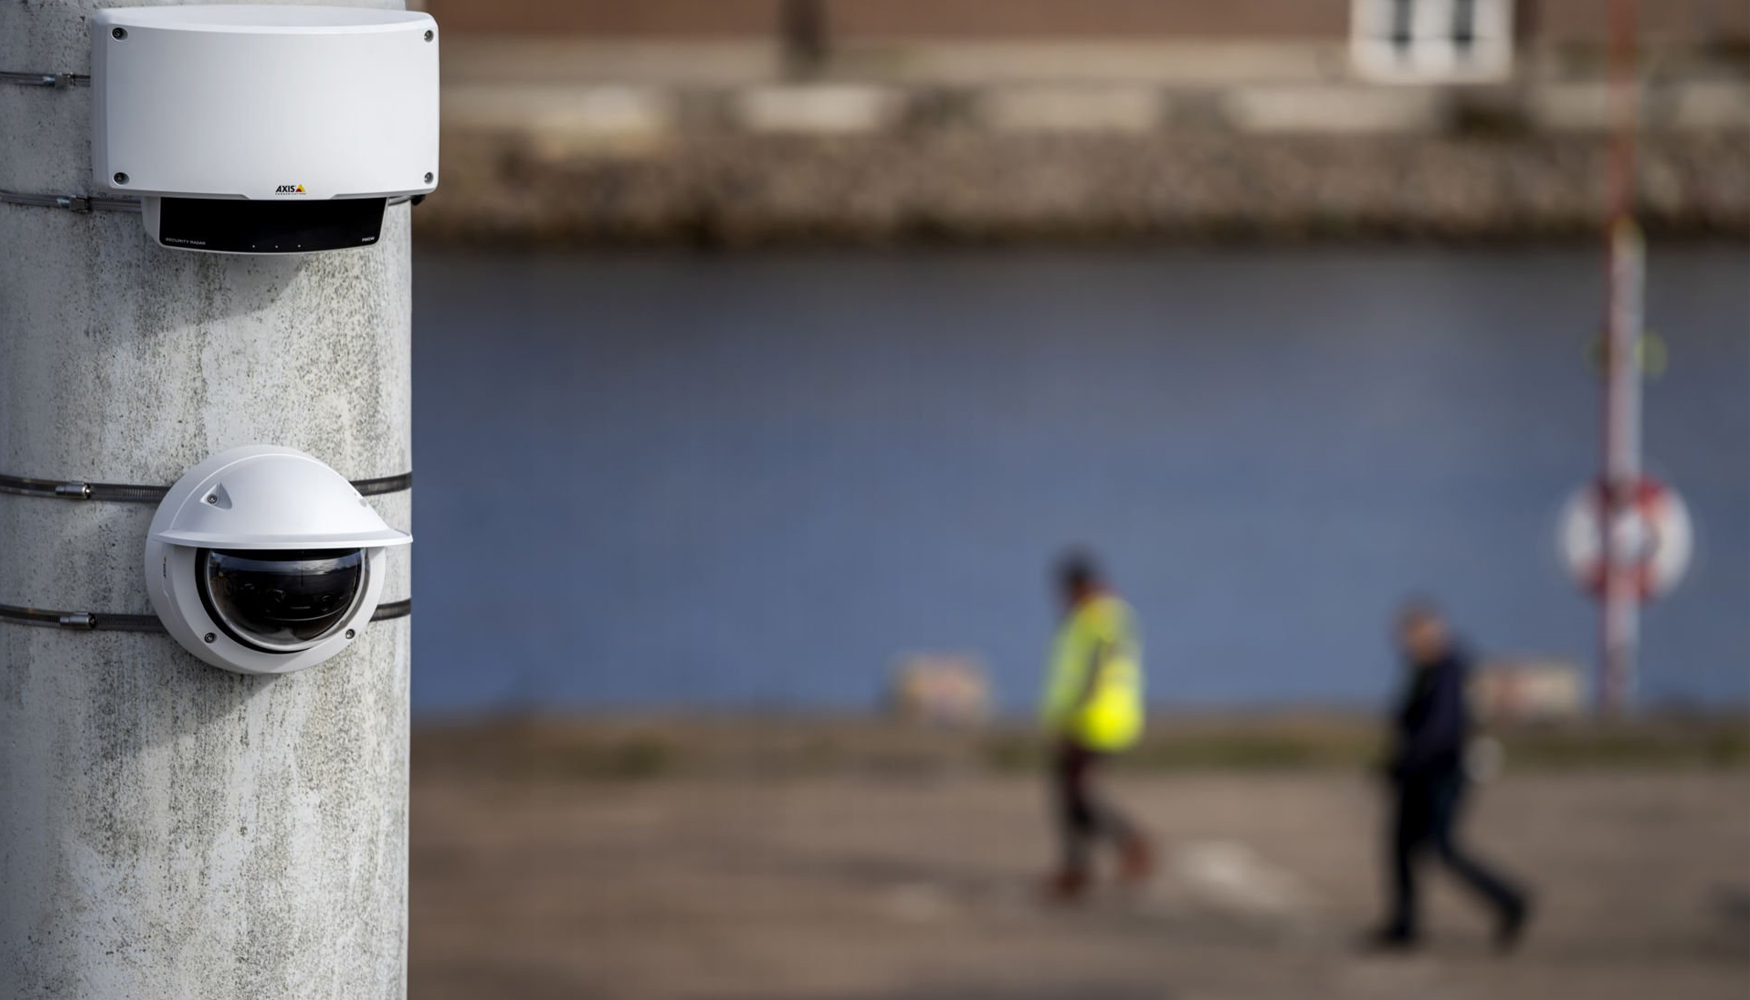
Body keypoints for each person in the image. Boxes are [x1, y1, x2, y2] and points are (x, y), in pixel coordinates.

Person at [1369, 601, 1532, 951]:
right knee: (1400, 848)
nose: (1409, 642)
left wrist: (1405, 762)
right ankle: (1404, 924)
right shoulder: (1422, 670)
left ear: (1433, 633)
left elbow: (1441, 730)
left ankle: (1510, 900)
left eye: (1416, 633)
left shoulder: (1448, 672)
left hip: (1440, 774)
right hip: (1418, 774)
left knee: (1444, 848)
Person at [1038, 550, 1151, 902]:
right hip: (1091, 720)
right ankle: (1091, 861)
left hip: (1095, 722)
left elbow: (1097, 671)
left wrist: (1073, 719)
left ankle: (1104, 855)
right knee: (1073, 794)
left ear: (1082, 585)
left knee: (1076, 795)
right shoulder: (1092, 616)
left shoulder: (1101, 617)